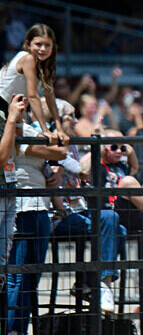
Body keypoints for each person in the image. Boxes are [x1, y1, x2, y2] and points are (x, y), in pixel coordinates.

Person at [46, 99, 127, 313]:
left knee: (115, 223)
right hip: (57, 216)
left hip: (77, 210)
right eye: (69, 116)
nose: (74, 120)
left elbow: (84, 173)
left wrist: (97, 142)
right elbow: (82, 170)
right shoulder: (50, 143)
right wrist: (97, 145)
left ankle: (97, 283)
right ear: (55, 121)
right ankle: (96, 283)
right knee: (113, 225)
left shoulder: (71, 143)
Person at [5, 114, 67, 335]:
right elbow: (59, 152)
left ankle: (16, 334)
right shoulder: (20, 129)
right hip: (25, 206)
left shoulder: (26, 129)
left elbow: (59, 156)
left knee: (25, 275)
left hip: (34, 205)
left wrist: (56, 169)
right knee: (20, 276)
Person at [0, 23, 68, 146]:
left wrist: (59, 127)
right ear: (28, 44)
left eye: (47, 45)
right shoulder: (28, 58)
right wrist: (45, 130)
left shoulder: (45, 66)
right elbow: (32, 96)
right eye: (38, 44)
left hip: (12, 114)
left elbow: (50, 96)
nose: (43, 49)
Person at [0, 94, 26, 290]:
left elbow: (15, 147)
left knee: (2, 265)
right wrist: (11, 119)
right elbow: (1, 157)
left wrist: (18, 120)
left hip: (9, 187)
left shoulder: (3, 105)